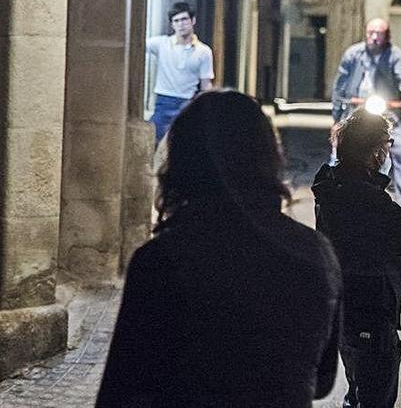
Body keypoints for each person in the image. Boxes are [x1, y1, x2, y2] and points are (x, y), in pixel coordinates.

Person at [96, 91, 341, 406]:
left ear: (182, 165)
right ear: (269, 157)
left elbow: (121, 390)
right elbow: (322, 380)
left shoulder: (162, 261)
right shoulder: (315, 253)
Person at [312, 108, 401, 408]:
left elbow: (373, 239)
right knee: (374, 396)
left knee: (357, 391)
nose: (388, 152)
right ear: (374, 152)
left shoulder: (331, 189)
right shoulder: (366, 198)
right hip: (371, 311)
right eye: (386, 144)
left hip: (345, 309)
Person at [331, 18, 401, 212]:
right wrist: (336, 116)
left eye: (378, 33)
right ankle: (333, 194)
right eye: (371, 32)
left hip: (386, 110)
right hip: (356, 108)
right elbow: (340, 84)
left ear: (387, 36)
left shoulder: (395, 55)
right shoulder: (353, 54)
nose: (374, 37)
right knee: (339, 148)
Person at [147, 1, 215, 144]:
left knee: (184, 146)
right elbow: (136, 43)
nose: (181, 24)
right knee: (153, 142)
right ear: (172, 24)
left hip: (186, 103)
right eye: (176, 21)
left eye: (184, 19)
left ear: (193, 21)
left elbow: (206, 84)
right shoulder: (161, 44)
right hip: (163, 102)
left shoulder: (204, 52)